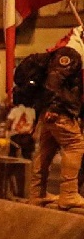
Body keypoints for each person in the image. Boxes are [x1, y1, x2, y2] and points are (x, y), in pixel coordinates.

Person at [27, 45, 84, 208]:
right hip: (59, 111)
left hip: (52, 110)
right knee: (75, 145)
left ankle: (38, 193)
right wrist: (53, 107)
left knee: (46, 150)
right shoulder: (69, 54)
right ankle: (69, 194)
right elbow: (54, 80)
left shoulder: (66, 55)